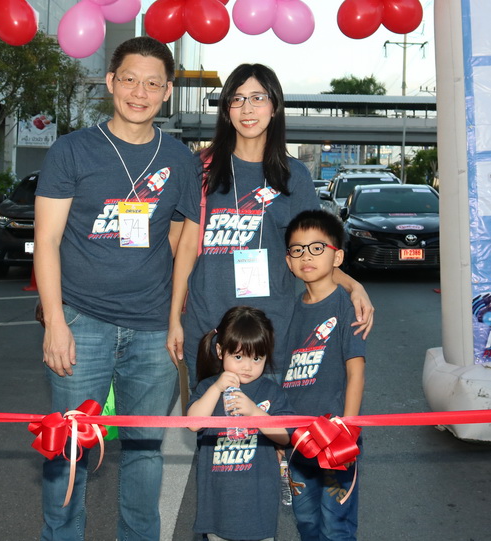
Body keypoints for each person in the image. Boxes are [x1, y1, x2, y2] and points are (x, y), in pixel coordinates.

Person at [33, 36, 197, 541]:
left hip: (151, 330)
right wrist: (55, 322)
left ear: (167, 92)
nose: (139, 93)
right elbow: (47, 240)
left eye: (152, 83)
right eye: (129, 79)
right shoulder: (73, 150)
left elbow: (181, 241)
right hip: (82, 322)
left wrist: (174, 319)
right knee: (69, 448)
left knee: (146, 454)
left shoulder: (180, 159)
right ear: (110, 82)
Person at [168, 63, 374, 388]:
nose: (247, 109)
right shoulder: (202, 169)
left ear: (274, 106)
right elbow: (186, 247)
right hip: (208, 330)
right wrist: (174, 321)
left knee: (268, 419)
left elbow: (313, 255)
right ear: (226, 110)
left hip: (271, 334)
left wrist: (353, 286)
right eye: (237, 99)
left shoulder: (295, 177)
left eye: (258, 98)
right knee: (209, 419)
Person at [281, 210, 366, 541]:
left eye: (317, 248)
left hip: (335, 439)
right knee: (305, 520)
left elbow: (355, 372)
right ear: (289, 261)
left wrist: (349, 429)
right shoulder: (288, 310)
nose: (306, 256)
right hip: (297, 440)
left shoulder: (346, 307)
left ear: (337, 257)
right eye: (297, 249)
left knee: (336, 523)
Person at [187, 305, 294, 541]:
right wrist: (217, 387)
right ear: (220, 351)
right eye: (238, 357)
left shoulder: (271, 392)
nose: (247, 366)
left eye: (257, 358)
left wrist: (255, 412)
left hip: (258, 508)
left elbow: (286, 436)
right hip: (217, 507)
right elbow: (193, 423)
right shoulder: (208, 387)